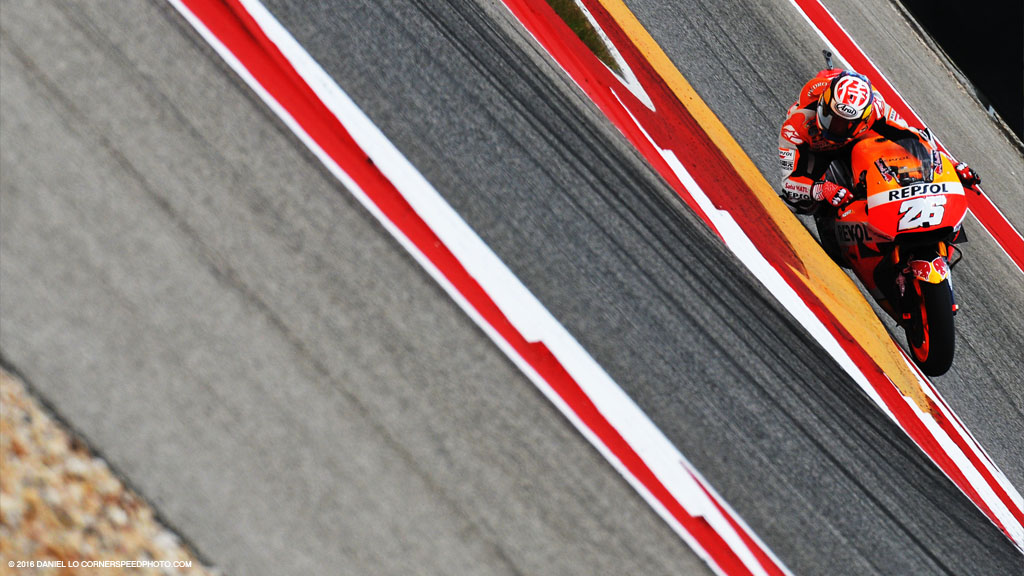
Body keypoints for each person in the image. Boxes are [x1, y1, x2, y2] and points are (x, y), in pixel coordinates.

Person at [778, 65, 981, 214]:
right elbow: (789, 183)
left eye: (844, 123)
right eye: (831, 118)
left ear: (863, 119)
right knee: (797, 202)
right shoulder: (796, 125)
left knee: (901, 151)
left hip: (857, 141)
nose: (835, 127)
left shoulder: (877, 110)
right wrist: (822, 189)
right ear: (823, 104)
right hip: (816, 149)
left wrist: (952, 164)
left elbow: (915, 136)